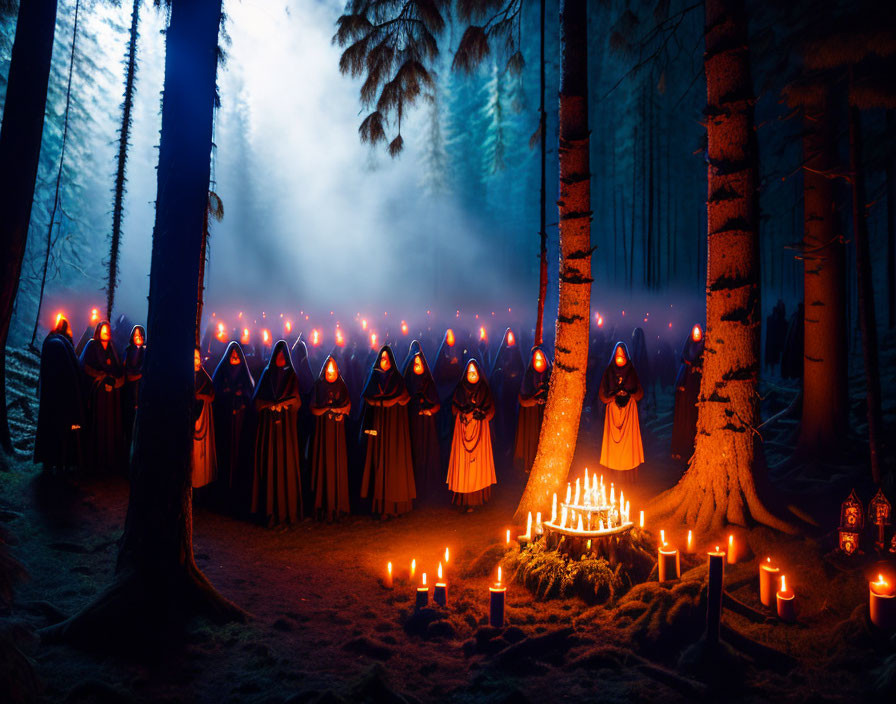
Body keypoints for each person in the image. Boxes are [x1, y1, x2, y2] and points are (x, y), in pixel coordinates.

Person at [359, 345, 416, 518]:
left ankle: (395, 504)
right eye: (382, 358)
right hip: (378, 427)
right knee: (379, 463)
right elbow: (368, 396)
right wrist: (380, 403)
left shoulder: (397, 378)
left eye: (387, 358)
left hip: (394, 429)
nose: (385, 361)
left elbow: (403, 397)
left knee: (393, 464)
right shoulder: (374, 376)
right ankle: (380, 504)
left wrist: (386, 402)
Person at [251, 340, 303, 526]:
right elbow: (257, 400)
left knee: (285, 466)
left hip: (286, 430)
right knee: (270, 465)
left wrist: (284, 404)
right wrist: (269, 405)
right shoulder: (267, 374)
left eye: (283, 355)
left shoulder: (291, 375)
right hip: (268, 428)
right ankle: (269, 511)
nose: (280, 358)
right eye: (278, 355)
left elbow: (296, 401)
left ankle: (285, 511)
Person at [34, 315, 84, 472]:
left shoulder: (54, 342)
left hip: (53, 397)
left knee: (54, 428)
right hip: (62, 397)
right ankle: (59, 461)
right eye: (68, 326)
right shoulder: (59, 344)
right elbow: (71, 371)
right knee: (61, 429)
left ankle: (53, 461)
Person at [447, 359, 497, 511]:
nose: (472, 375)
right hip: (462, 432)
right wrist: (463, 413)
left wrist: (481, 414)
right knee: (464, 466)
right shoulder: (460, 389)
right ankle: (464, 498)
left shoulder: (484, 389)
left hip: (480, 433)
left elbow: (490, 410)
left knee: (477, 466)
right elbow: (454, 408)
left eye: (474, 372)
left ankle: (478, 498)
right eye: (469, 372)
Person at [212, 342, 255, 514]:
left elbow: (250, 392)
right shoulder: (222, 371)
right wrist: (227, 393)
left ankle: (237, 491)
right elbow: (216, 391)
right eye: (233, 353)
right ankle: (222, 492)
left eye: (238, 353)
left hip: (240, 422)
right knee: (224, 453)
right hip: (224, 421)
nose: (235, 356)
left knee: (239, 454)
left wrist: (241, 394)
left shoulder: (244, 373)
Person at [79, 321, 126, 474]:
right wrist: (101, 376)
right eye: (103, 330)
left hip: (111, 395)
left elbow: (118, 368)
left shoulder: (113, 348)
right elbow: (86, 366)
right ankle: (95, 459)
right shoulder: (92, 346)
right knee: (97, 424)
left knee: (110, 425)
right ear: (98, 331)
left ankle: (109, 460)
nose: (106, 332)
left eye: (108, 330)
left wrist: (113, 381)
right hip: (98, 393)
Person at [309, 355, 352, 521]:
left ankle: (338, 505)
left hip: (337, 434)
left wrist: (339, 411)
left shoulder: (342, 385)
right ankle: (323, 505)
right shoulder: (319, 385)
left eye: (334, 369)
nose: (331, 372)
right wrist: (326, 408)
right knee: (323, 464)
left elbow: (347, 405)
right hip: (323, 432)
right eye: (329, 369)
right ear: (324, 370)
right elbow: (313, 407)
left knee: (337, 465)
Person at [402, 340, 442, 503]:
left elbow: (436, 403)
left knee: (428, 452)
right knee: (415, 452)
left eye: (420, 363)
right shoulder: (408, 382)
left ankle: (429, 487)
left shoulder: (428, 382)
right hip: (414, 423)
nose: (418, 365)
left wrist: (429, 410)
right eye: (415, 363)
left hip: (427, 426)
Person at [598, 342, 644, 476]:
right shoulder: (609, 371)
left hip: (629, 411)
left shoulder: (631, 370)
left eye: (622, 354)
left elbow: (639, 392)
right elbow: (602, 392)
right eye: (617, 354)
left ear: (626, 355)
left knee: (627, 444)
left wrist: (629, 395)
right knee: (613, 445)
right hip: (613, 411)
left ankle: (628, 473)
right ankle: (613, 471)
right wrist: (611, 398)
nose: (619, 357)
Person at [489, 328, 524, 468]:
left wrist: (513, 374)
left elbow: (521, 370)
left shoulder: (518, 353)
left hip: (514, 393)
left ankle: (513, 446)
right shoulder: (502, 353)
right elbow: (496, 371)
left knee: (513, 420)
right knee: (503, 420)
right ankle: (504, 446)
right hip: (503, 394)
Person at [513, 346, 551, 474]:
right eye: (536, 359)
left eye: (541, 358)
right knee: (533, 440)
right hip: (531, 416)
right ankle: (530, 466)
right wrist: (534, 400)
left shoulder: (551, 375)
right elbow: (522, 398)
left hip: (545, 416)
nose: (539, 361)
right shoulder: (528, 377)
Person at [671, 325, 704, 461]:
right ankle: (680, 449)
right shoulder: (687, 350)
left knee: (692, 420)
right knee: (682, 420)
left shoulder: (704, 347)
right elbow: (685, 361)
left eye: (698, 332)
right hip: (684, 391)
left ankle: (691, 448)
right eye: (694, 332)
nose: (696, 334)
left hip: (695, 389)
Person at [192, 348, 217, 493]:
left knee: (201, 456)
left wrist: (200, 396)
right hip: (190, 421)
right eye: (194, 358)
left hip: (203, 420)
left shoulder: (205, 378)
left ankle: (202, 485)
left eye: (198, 358)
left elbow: (211, 395)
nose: (197, 361)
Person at [122, 325, 146, 454]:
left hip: (141, 390)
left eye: (141, 335)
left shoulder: (146, 350)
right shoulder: (128, 351)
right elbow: (126, 370)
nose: (139, 337)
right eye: (136, 335)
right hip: (130, 392)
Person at [780, 302, 804, 380]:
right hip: (793, 343)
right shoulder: (795, 317)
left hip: (797, 343)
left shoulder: (797, 317)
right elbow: (790, 332)